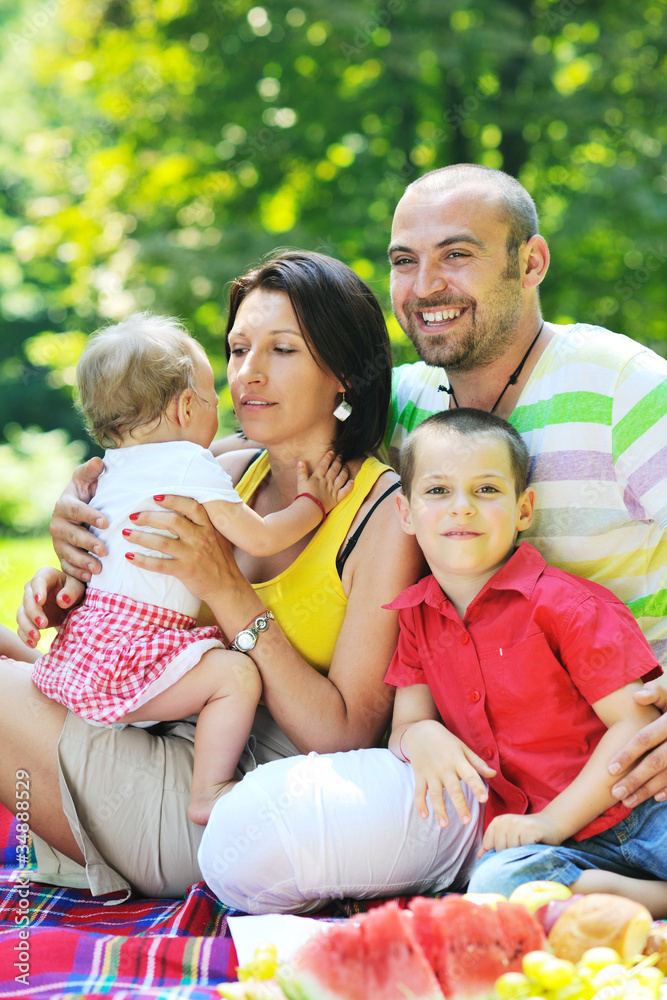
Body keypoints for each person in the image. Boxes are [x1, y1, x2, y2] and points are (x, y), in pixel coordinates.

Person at [4, 250, 482, 905]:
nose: (248, 373)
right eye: (236, 349)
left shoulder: (384, 516)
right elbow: (138, 583)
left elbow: (342, 734)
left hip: (234, 803)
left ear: (344, 373)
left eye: (281, 349)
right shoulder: (222, 467)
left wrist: (228, 591)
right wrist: (72, 582)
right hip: (146, 729)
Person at [30, 313, 353, 825]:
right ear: (185, 407)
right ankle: (208, 790)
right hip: (140, 655)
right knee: (236, 675)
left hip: (95, 648)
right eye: (210, 399)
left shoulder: (107, 468)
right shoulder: (189, 462)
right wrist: (314, 504)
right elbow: (259, 535)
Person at [385, 407, 667, 916]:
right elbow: (405, 721)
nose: (462, 508)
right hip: (564, 850)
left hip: (645, 809)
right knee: (495, 884)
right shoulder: (418, 618)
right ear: (405, 512)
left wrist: (551, 822)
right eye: (438, 490)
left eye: (486, 490)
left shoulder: (566, 605)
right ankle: (638, 896)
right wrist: (418, 735)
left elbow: (635, 722)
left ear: (523, 509)